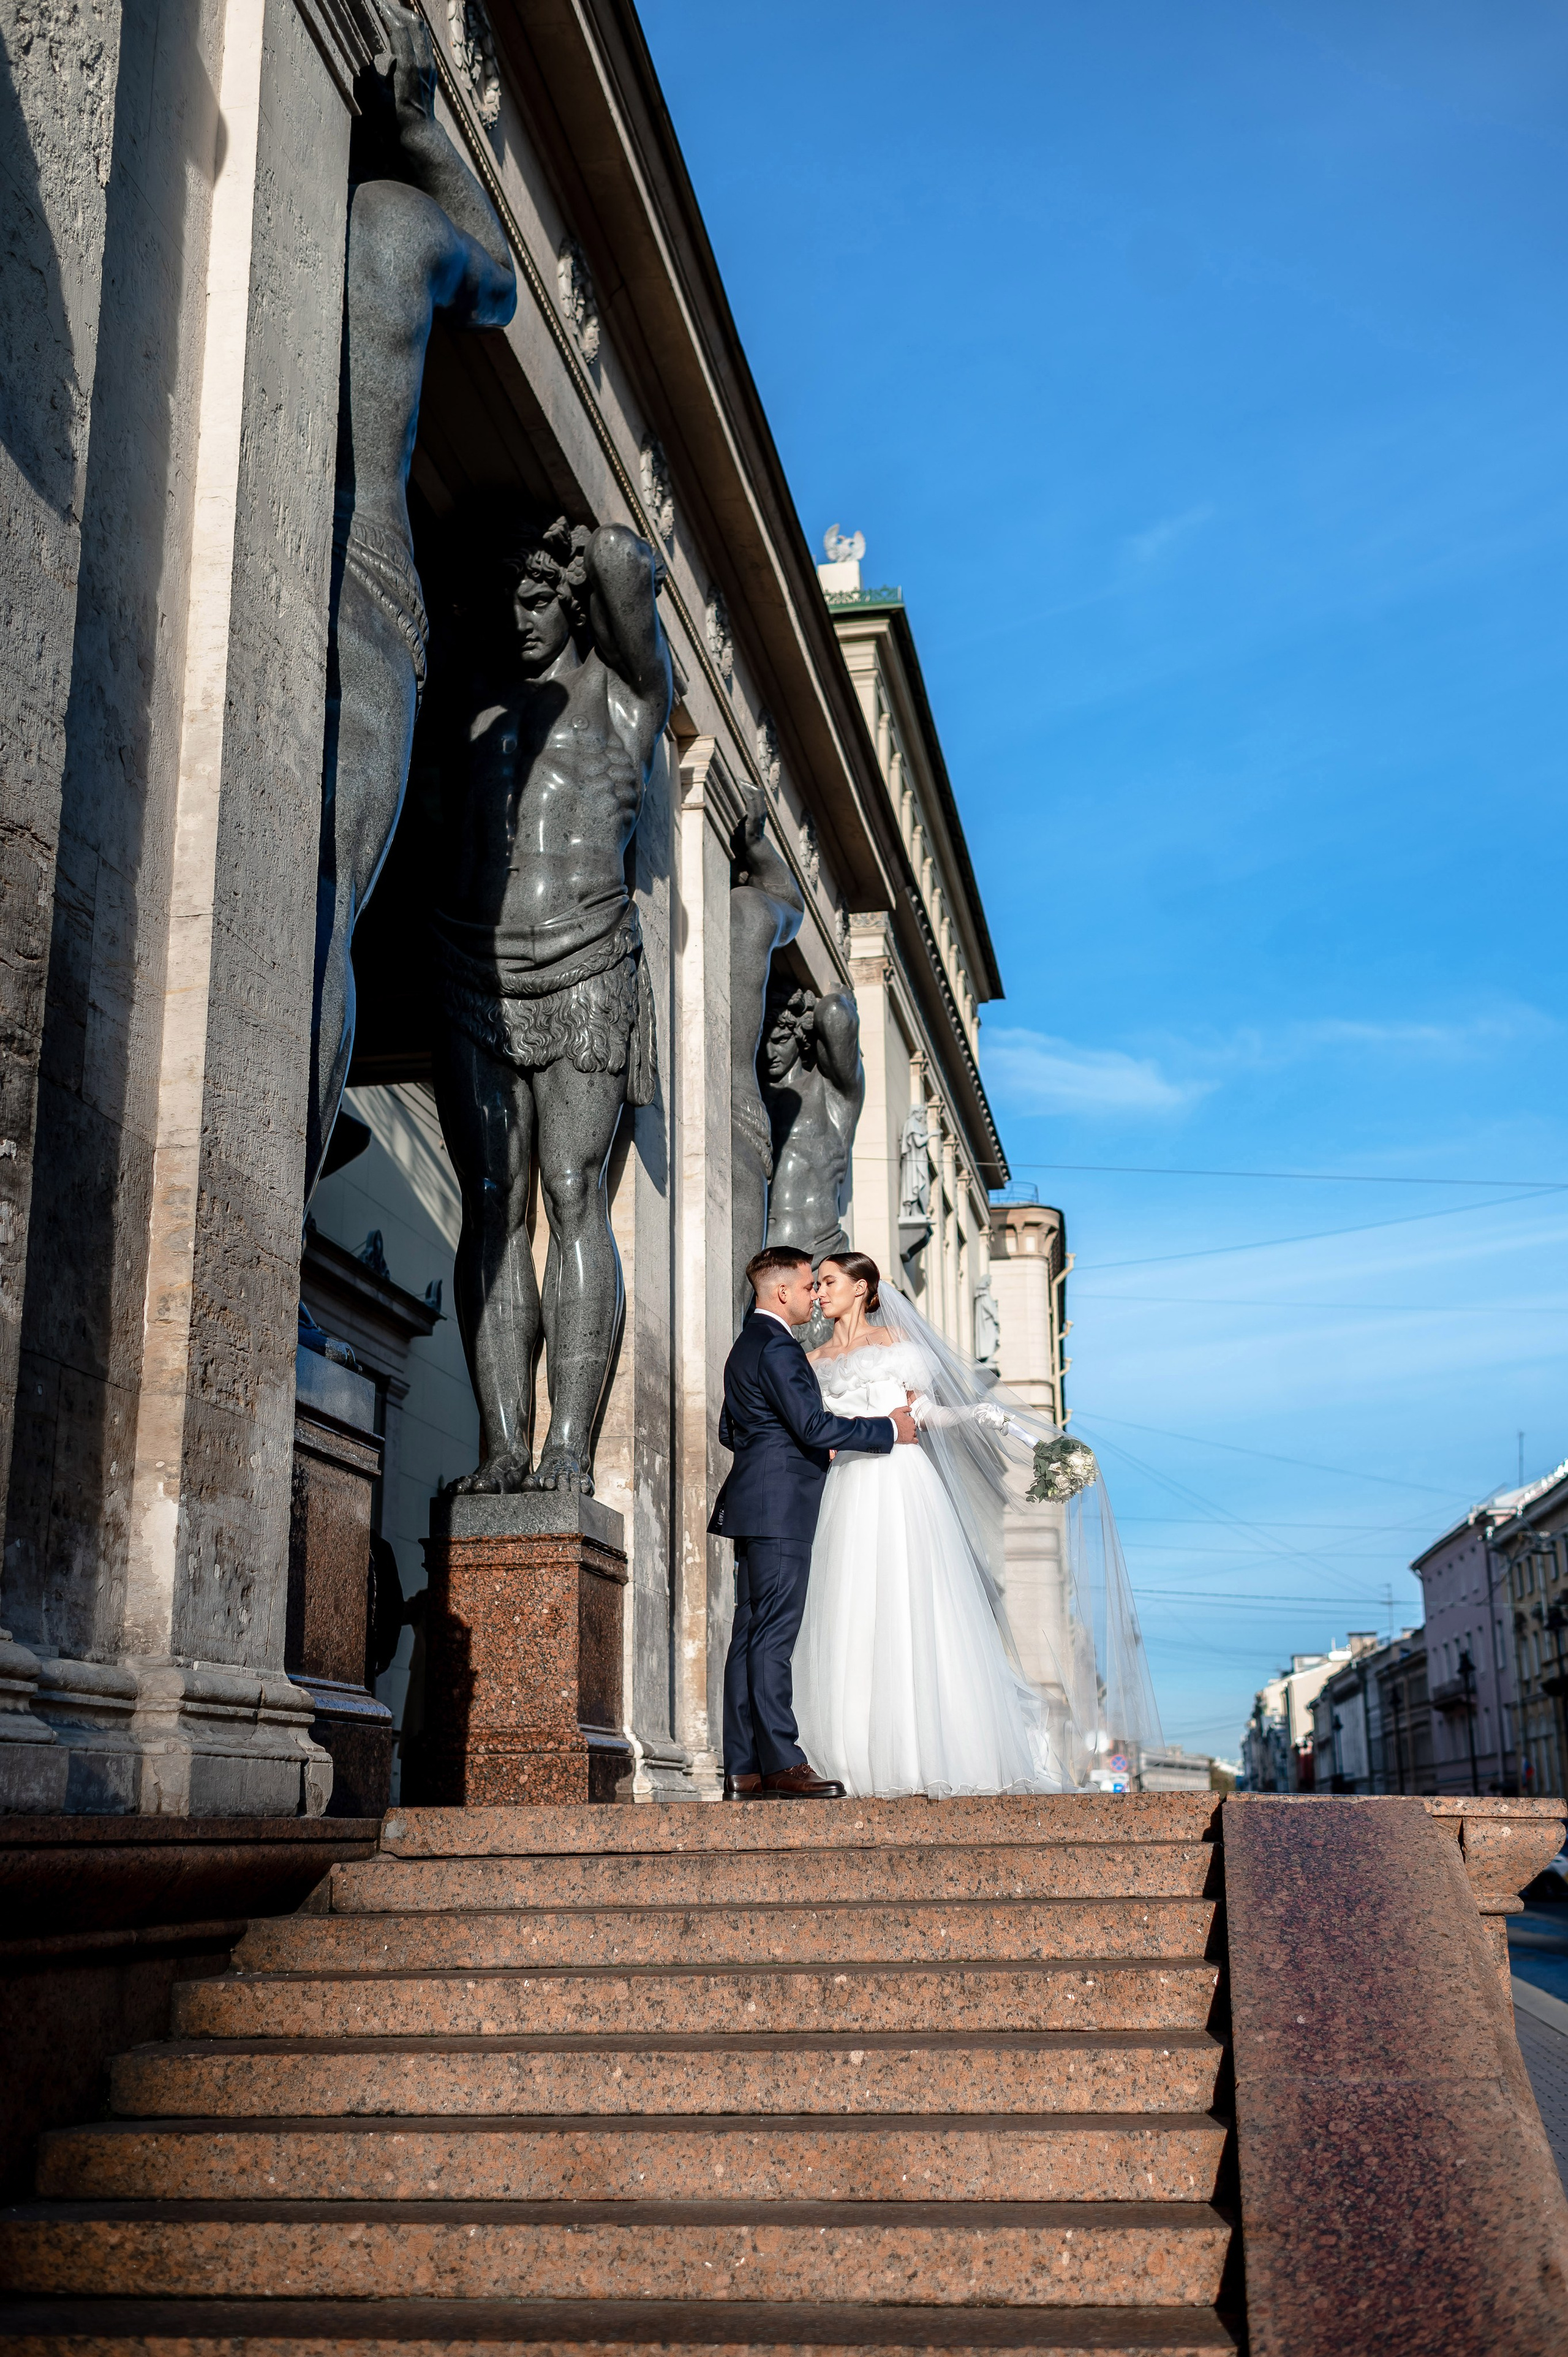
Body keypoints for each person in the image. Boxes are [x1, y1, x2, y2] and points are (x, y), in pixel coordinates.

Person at [432, 515, 672, 1495]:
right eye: (510, 604)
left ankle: (569, 1443)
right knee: (493, 1204)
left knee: (574, 1195)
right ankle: (501, 1446)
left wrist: (584, 554)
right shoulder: (476, 699)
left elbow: (623, 558)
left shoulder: (626, 695)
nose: (521, 619)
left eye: (538, 600)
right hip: (474, 962)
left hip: (586, 955)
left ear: (574, 604)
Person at [792, 1250, 1071, 1798]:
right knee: (850, 1607)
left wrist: (981, 1415)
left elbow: (924, 1414)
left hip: (901, 1482)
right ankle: (852, 1757)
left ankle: (927, 1753)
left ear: (861, 1287)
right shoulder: (813, 1359)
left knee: (914, 1602)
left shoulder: (897, 1343)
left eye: (827, 1282)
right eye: (817, 1285)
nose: (819, 1293)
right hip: (846, 1487)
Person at [710, 1246, 920, 1799]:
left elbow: (731, 1431)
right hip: (782, 1506)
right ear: (783, 1292)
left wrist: (771, 1448)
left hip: (754, 1502)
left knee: (749, 1635)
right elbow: (812, 1426)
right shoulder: (780, 1347)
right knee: (773, 1637)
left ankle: (744, 1769)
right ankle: (783, 1763)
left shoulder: (746, 1345)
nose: (815, 1296)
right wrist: (887, 1430)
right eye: (809, 1286)